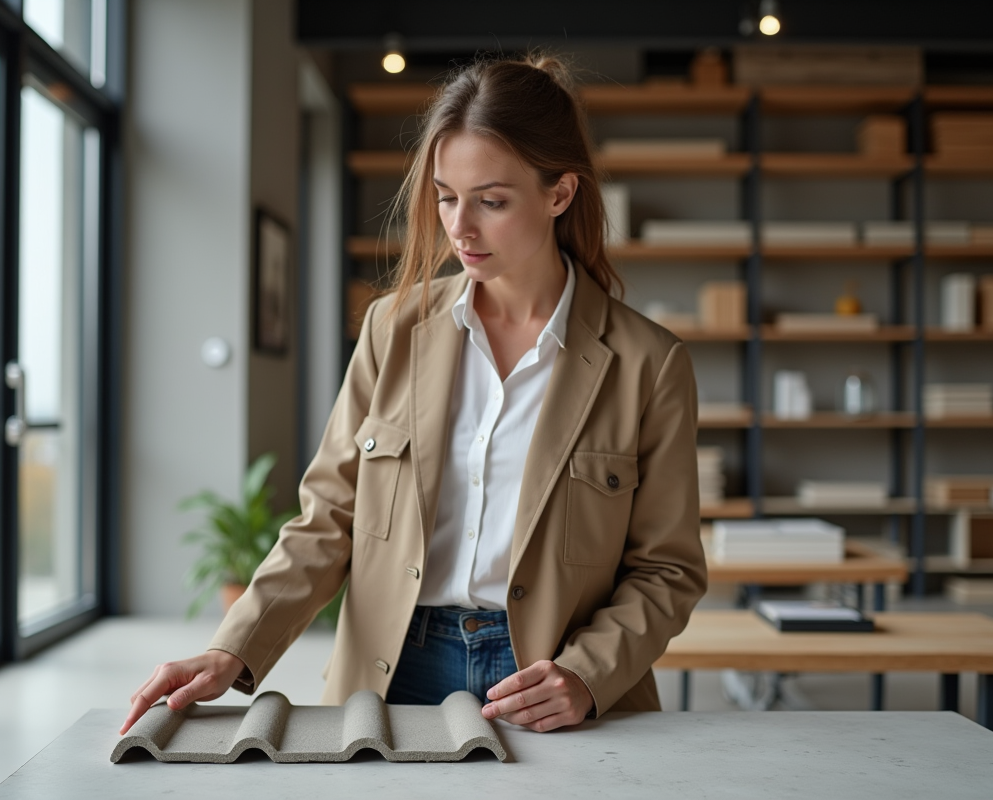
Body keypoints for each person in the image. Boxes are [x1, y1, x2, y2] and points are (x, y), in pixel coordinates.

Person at [121, 53, 707, 737]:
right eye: (445, 195)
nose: (460, 227)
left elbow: (666, 569)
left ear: (560, 194)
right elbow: (329, 517)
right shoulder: (392, 328)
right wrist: (234, 647)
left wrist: (588, 673)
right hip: (393, 667)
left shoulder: (649, 363)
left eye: (491, 200)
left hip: (550, 683)